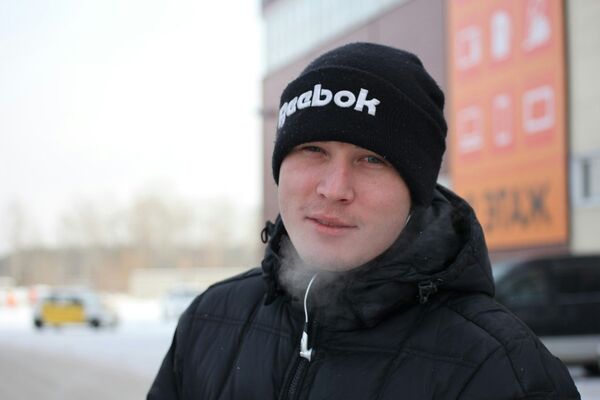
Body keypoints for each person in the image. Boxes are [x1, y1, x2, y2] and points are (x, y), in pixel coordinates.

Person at [148, 42, 580, 399]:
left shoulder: (502, 370)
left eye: (372, 159)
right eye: (313, 150)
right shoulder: (210, 321)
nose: (335, 188)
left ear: (415, 192)